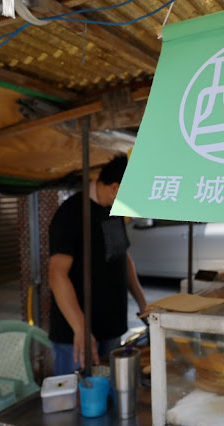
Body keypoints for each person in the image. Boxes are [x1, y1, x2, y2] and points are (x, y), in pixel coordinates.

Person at [48, 155, 147, 375]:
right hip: (76, 334)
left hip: (111, 327)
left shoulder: (113, 210)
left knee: (107, 396)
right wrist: (80, 327)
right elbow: (56, 275)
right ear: (115, 187)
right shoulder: (71, 212)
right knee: (76, 399)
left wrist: (142, 302)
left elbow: (122, 257)